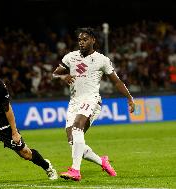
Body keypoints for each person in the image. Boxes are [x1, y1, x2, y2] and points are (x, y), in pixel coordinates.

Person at [52, 27, 135, 181]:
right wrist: (62, 77)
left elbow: (116, 82)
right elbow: (55, 73)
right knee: (74, 142)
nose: (81, 43)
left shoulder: (102, 60)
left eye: (85, 39)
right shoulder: (70, 57)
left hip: (91, 100)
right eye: (79, 40)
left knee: (78, 127)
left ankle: (75, 170)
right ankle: (102, 161)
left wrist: (129, 98)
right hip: (74, 101)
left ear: (93, 40)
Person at [0, 57, 58, 186]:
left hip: (4, 125)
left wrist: (14, 132)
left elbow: (7, 109)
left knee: (25, 154)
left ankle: (47, 166)